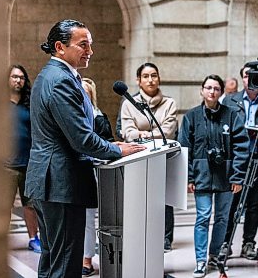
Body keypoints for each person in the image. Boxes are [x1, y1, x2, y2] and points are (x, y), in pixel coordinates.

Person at [25, 19, 146, 278]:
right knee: (65, 266)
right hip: (61, 184)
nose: (90, 51)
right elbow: (81, 139)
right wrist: (117, 151)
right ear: (60, 47)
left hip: (50, 182)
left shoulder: (52, 75)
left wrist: (109, 144)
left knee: (52, 261)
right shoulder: (61, 80)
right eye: (83, 45)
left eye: (90, 44)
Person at [178, 74, 249, 278]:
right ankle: (200, 260)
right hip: (201, 175)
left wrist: (237, 177)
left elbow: (241, 148)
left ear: (221, 92)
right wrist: (189, 177)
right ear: (202, 91)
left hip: (226, 177)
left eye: (216, 88)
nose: (212, 92)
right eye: (208, 88)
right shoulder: (191, 117)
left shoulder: (232, 115)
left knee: (222, 218)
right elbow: (185, 149)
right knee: (203, 216)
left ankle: (215, 255)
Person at [120, 62, 178, 252]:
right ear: (138, 80)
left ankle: (165, 238)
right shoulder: (129, 103)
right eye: (145, 76)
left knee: (164, 200)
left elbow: (168, 132)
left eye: (154, 75)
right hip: (138, 160)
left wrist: (142, 133)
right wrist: (153, 133)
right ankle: (141, 233)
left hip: (164, 159)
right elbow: (128, 133)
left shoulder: (169, 103)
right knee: (139, 199)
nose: (150, 80)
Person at [221, 63, 258, 260]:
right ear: (242, 79)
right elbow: (223, 127)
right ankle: (226, 242)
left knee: (254, 205)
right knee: (231, 203)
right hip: (235, 160)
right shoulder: (230, 100)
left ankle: (248, 243)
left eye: (255, 76)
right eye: (246, 76)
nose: (250, 80)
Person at [81, 78, 114, 277]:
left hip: (99, 173)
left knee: (98, 218)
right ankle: (85, 258)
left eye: (86, 92)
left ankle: (91, 259)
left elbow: (109, 144)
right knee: (85, 220)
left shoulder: (99, 118)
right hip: (79, 173)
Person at [5, 64, 40, 253]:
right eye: (14, 77)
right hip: (6, 165)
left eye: (21, 77)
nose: (18, 80)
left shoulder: (29, 104)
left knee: (31, 205)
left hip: (29, 162)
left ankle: (34, 238)